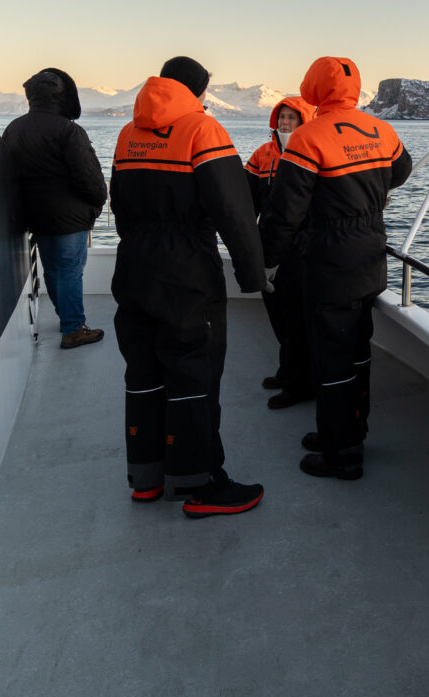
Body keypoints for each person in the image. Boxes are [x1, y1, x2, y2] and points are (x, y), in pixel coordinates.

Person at [109, 56, 267, 517]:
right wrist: (253, 275)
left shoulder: (127, 134)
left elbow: (119, 202)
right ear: (198, 90)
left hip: (133, 265)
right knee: (192, 371)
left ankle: (146, 477)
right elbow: (233, 211)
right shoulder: (202, 130)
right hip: (186, 272)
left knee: (142, 372)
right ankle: (201, 485)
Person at [259, 56, 413, 480]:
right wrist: (366, 196)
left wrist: (267, 261)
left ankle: (341, 453)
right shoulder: (381, 129)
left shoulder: (308, 138)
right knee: (357, 351)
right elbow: (401, 170)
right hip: (370, 257)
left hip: (330, 262)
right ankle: (350, 430)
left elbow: (284, 213)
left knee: (332, 359)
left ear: (313, 87)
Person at [1, 67, 106, 349]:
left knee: (53, 270)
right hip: (70, 218)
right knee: (71, 270)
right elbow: (88, 177)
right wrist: (99, 201)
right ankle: (73, 329)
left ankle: (67, 319)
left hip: (36, 216)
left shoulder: (14, 129)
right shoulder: (69, 131)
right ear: (61, 97)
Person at [244, 95, 316, 409]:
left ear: (304, 122)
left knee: (295, 316)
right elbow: (248, 201)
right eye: (282, 117)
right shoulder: (262, 155)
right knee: (277, 313)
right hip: (269, 248)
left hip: (301, 251)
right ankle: (288, 370)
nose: (285, 123)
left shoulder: (313, 153)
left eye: (292, 118)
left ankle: (297, 382)